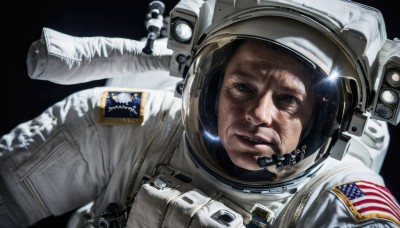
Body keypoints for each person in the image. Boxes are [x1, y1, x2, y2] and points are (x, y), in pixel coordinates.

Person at [1, 0, 400, 227]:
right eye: (242, 88)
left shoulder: (338, 204)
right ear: (211, 89)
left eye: (286, 101)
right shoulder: (136, 127)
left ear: (319, 116)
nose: (258, 114)